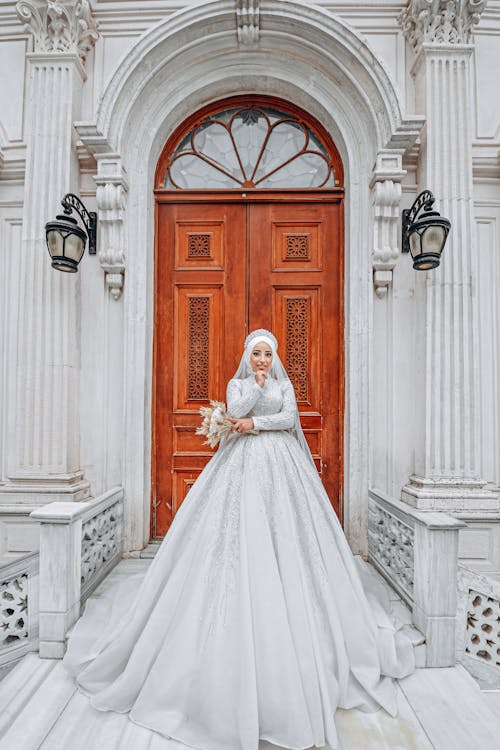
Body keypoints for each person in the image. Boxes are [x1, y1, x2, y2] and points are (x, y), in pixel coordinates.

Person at [63, 328, 415, 750]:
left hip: (283, 468)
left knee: (288, 537)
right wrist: (250, 399)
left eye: (267, 355)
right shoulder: (239, 384)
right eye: (257, 355)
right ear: (248, 357)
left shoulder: (286, 385)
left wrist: (255, 422)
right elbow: (234, 410)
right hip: (239, 466)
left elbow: (289, 420)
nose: (263, 360)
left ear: (275, 357)